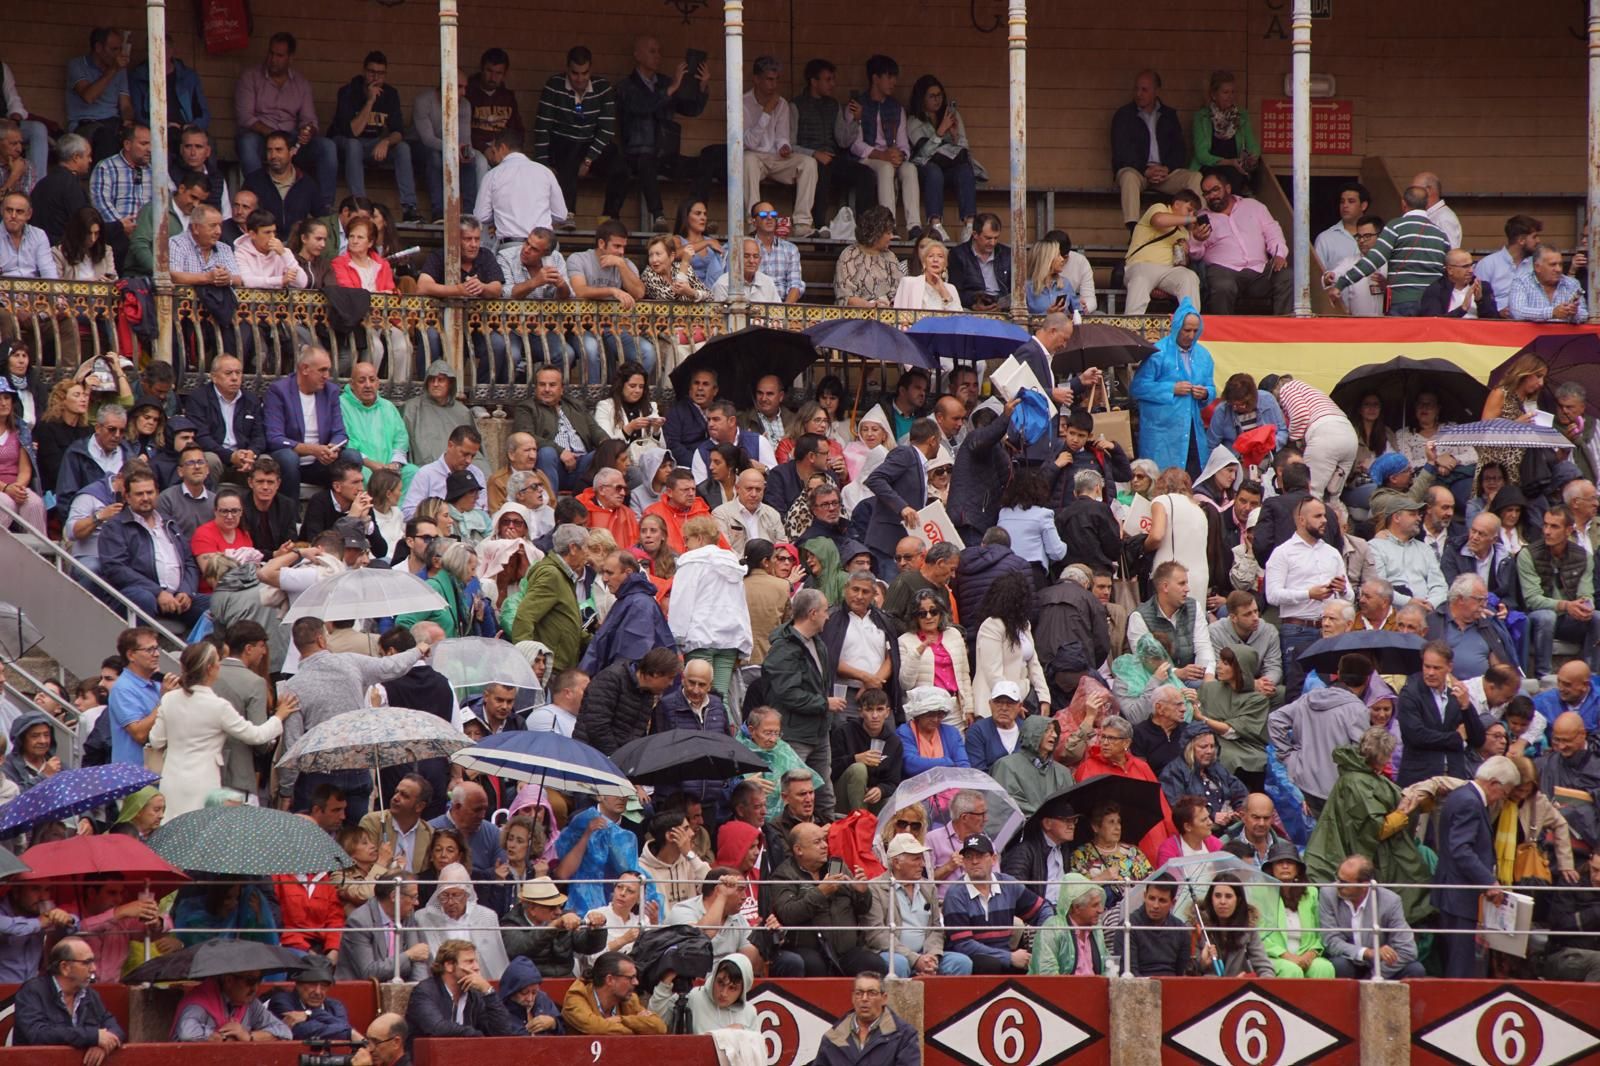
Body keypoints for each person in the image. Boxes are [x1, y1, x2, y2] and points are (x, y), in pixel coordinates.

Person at [149, 641, 295, 819]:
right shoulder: (217, 706)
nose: (220, 665)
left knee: (173, 831)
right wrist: (278, 716)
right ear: (210, 668)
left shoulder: (169, 699)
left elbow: (156, 740)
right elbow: (256, 735)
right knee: (200, 830)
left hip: (171, 779)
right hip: (204, 781)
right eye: (218, 661)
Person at [604, 35, 710, 232]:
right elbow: (642, 107)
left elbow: (690, 109)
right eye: (652, 51)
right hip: (636, 153)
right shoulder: (626, 86)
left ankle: (698, 217)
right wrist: (670, 90)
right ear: (637, 55)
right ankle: (658, 215)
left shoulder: (665, 83)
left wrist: (702, 87)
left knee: (703, 166)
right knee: (646, 162)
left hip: (664, 152)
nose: (658, 56)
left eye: (659, 51)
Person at [1433, 755, 1519, 977]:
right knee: (1459, 968)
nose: (1502, 799)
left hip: (1452, 893)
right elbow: (1461, 849)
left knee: (1456, 963)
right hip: (1459, 897)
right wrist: (1489, 880)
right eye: (1504, 793)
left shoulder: (1460, 795)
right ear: (1494, 784)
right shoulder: (1470, 802)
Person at [234, 32, 338, 212]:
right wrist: (273, 136)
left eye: (280, 55)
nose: (273, 59)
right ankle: (256, 199)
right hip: (260, 136)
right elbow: (245, 117)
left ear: (290, 58)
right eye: (271, 53)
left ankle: (324, 207)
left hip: (291, 138)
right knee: (247, 142)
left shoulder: (301, 83)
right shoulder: (250, 77)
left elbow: (310, 119)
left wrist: (308, 131)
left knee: (327, 147)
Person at [1268, 653, 1374, 815]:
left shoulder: (1309, 698)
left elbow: (1275, 720)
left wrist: (1289, 758)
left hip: (1304, 784)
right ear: (1367, 680)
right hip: (1337, 792)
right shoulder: (1358, 710)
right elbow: (1360, 756)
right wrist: (1287, 757)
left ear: (1338, 673)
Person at [1327, 186, 1449, 316]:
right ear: (1427, 204)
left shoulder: (1396, 227)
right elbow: (1448, 271)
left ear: (1403, 203)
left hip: (1402, 302)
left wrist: (1341, 283)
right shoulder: (1441, 235)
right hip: (1433, 304)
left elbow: (1373, 260)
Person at [942, 832, 1053, 974]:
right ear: (963, 862)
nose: (974, 861)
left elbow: (1042, 909)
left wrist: (1044, 939)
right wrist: (1009, 957)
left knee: (1033, 963)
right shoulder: (955, 894)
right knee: (990, 964)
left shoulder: (1008, 884)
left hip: (1005, 955)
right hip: (972, 959)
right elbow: (963, 945)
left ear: (993, 859)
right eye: (969, 857)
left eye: (980, 856)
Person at [1189, 166, 1290, 315]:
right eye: (1207, 193)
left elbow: (1272, 231)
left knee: (1287, 276)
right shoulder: (1202, 218)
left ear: (1228, 188)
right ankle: (1222, 336)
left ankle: (1283, 333)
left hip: (1260, 270)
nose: (1212, 196)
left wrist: (1279, 254)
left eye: (1216, 190)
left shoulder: (1253, 206)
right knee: (1223, 285)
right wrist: (1197, 240)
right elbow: (1195, 255)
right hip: (1223, 270)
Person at [1111, 69, 1202, 228]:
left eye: (1144, 89)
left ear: (1156, 91)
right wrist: (1145, 170)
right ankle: (1133, 229)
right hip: (1138, 172)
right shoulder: (1124, 115)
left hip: (1164, 173)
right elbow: (1121, 152)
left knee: (1195, 177)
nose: (1139, 93)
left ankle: (1196, 227)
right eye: (1137, 89)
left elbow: (1179, 149)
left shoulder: (1169, 115)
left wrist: (1166, 168)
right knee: (1128, 177)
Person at [1130, 303, 1213, 475]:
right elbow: (1137, 388)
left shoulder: (1204, 356)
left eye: (1195, 331)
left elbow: (1211, 387)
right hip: (1161, 433)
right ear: (1176, 327)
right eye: (1187, 330)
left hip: (1191, 431)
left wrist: (1205, 393)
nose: (1191, 336)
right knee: (1159, 480)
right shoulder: (1157, 353)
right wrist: (1171, 388)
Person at [12, 936, 126, 1058]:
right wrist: (93, 1037)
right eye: (86, 962)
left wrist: (103, 1045)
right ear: (65, 967)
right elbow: (38, 1035)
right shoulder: (32, 992)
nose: (93, 968)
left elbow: (114, 1028)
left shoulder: (90, 995)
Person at [1318, 854, 1427, 979]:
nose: (1338, 885)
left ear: (1364, 885)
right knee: (1338, 965)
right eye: (1337, 878)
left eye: (1344, 882)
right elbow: (1331, 941)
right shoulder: (1328, 894)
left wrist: (1375, 975)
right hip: (1348, 960)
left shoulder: (1390, 901)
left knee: (1415, 969)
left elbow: (1408, 950)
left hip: (1380, 966)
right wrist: (1367, 953)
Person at [851, 55, 921, 235]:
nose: (893, 82)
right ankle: (888, 227)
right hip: (866, 159)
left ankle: (914, 226)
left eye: (894, 77)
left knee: (910, 169)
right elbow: (855, 144)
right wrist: (880, 155)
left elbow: (904, 144)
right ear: (875, 78)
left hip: (890, 158)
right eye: (889, 77)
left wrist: (901, 155)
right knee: (885, 168)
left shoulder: (896, 108)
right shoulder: (858, 104)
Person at [906, 76, 980, 244]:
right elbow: (922, 154)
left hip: (951, 165)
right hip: (926, 169)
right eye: (931, 96)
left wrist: (955, 136)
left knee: (965, 170)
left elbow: (964, 150)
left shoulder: (952, 115)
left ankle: (969, 225)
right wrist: (940, 132)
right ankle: (935, 224)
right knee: (933, 171)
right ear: (922, 98)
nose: (937, 99)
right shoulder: (913, 120)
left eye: (939, 95)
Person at [405, 938, 522, 1039]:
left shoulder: (475, 995)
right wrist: (478, 1036)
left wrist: (489, 992)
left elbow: (503, 1033)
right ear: (449, 966)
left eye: (476, 962)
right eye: (469, 962)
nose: (476, 968)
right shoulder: (425, 992)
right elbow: (437, 1028)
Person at [812, 971, 918, 1066]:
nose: (864, 999)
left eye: (872, 993)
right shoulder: (832, 1037)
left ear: (884, 998)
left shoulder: (905, 1035)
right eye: (859, 993)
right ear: (853, 998)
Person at [172, 969, 293, 1041]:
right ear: (229, 980)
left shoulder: (250, 1003)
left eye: (259, 980)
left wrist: (248, 1036)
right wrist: (223, 1036)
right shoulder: (201, 1000)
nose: (255, 988)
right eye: (250, 981)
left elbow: (285, 1032)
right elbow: (186, 1032)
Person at [1192, 872, 1274, 977]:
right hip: (1208, 989)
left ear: (1238, 900)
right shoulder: (1197, 926)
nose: (1222, 901)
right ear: (1210, 898)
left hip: (1241, 988)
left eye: (1228, 896)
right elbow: (1188, 971)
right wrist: (1202, 963)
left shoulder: (1248, 928)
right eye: (1217, 896)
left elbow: (1264, 966)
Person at [1030, 874, 1110, 975]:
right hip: (1062, 989)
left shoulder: (1096, 929)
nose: (1101, 910)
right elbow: (1047, 974)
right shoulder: (1052, 928)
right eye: (1094, 905)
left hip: (1094, 989)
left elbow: (1107, 967)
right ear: (1076, 908)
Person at [1510, 244, 1588, 322]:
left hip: (1563, 334)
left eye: (1560, 264)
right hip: (1532, 334)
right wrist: (1552, 312)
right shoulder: (1521, 282)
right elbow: (1518, 312)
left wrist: (1574, 313)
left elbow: (1585, 314)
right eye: (1553, 265)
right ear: (1537, 267)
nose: (1558, 269)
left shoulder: (1572, 283)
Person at [1420, 249, 1500, 317]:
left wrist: (1480, 301)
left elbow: (1493, 321)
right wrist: (1462, 309)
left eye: (1472, 265)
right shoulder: (1436, 290)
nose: (1471, 270)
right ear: (1450, 270)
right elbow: (1433, 323)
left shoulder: (1483, 287)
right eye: (1465, 267)